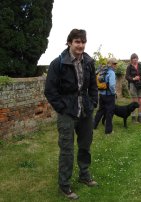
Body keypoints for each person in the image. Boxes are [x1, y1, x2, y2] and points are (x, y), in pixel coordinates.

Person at [44, 29, 98, 200]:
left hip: (86, 111)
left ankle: (84, 175)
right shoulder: (57, 63)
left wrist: (93, 102)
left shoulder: (89, 62)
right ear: (69, 43)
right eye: (77, 41)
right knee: (67, 150)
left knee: (85, 146)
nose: (80, 45)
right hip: (67, 112)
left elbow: (93, 86)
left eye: (83, 42)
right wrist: (62, 108)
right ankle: (65, 185)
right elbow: (50, 90)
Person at [93, 58, 117, 134]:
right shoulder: (111, 72)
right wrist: (114, 93)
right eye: (115, 64)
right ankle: (108, 131)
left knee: (100, 110)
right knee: (109, 112)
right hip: (109, 95)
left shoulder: (102, 70)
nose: (116, 65)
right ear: (112, 64)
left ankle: (94, 125)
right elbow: (112, 85)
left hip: (102, 94)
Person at [125, 53, 141, 123]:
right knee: (134, 101)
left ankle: (140, 117)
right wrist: (133, 78)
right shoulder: (129, 67)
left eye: (136, 59)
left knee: (140, 101)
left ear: (138, 59)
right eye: (134, 59)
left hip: (140, 84)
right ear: (131, 60)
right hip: (133, 84)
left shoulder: (140, 65)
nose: (135, 60)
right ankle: (133, 117)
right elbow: (127, 77)